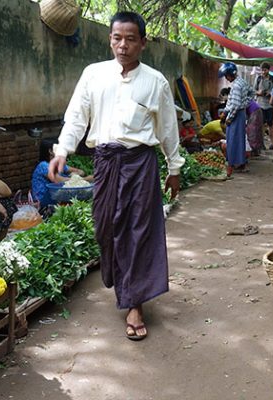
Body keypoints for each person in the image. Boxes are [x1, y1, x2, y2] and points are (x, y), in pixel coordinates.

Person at [48, 11, 185, 341]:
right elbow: (77, 117)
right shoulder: (93, 75)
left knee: (139, 231)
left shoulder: (155, 82)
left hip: (141, 163)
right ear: (110, 39)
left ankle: (135, 304)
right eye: (116, 38)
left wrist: (175, 167)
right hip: (106, 162)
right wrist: (62, 150)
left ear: (143, 43)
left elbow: (168, 128)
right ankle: (125, 284)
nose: (122, 46)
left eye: (130, 39)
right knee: (106, 227)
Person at [32, 138, 92, 210]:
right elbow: (60, 181)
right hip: (44, 201)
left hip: (58, 197)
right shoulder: (44, 166)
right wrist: (87, 179)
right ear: (50, 151)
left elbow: (81, 172)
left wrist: (75, 174)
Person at [219, 62, 253, 176]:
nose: (226, 78)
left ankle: (232, 164)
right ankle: (240, 163)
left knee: (233, 139)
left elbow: (236, 105)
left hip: (237, 114)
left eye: (226, 76)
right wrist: (246, 104)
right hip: (241, 113)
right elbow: (251, 93)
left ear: (229, 75)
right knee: (239, 139)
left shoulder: (236, 86)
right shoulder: (242, 81)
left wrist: (230, 117)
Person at [254, 62, 273, 148]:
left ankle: (272, 143)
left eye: (265, 70)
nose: (263, 72)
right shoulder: (258, 79)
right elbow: (253, 91)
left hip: (270, 105)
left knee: (271, 125)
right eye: (262, 70)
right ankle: (261, 143)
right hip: (260, 105)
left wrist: (270, 94)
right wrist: (258, 93)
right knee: (261, 125)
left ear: (268, 70)